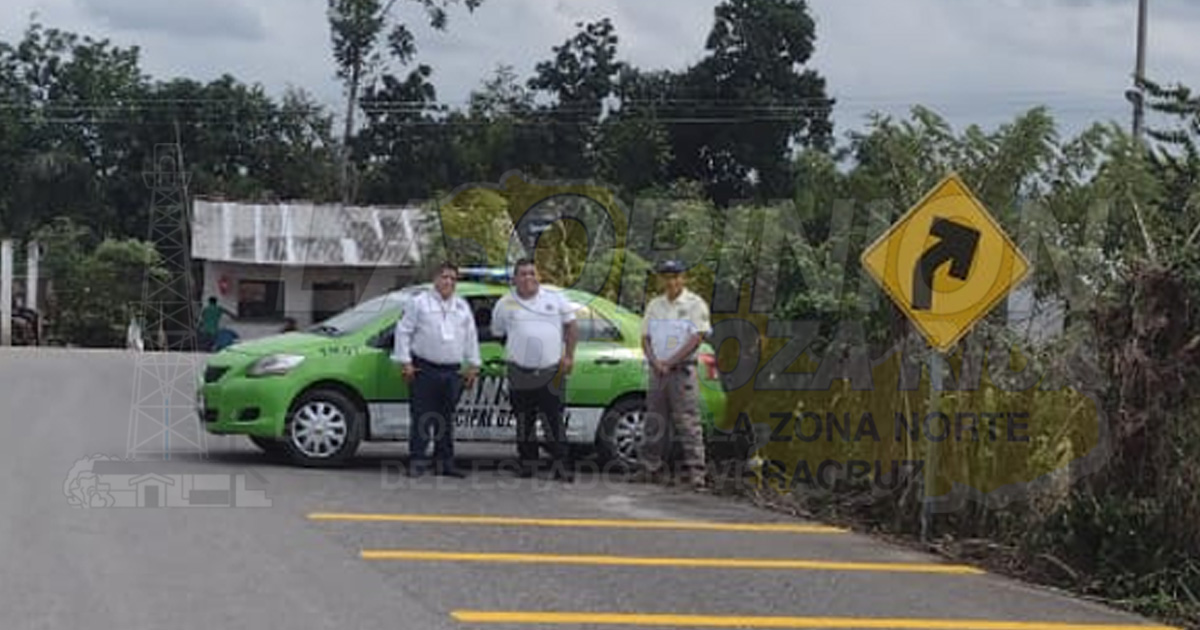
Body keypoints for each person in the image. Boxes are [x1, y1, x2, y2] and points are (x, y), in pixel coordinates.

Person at [491, 258, 578, 482]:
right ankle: (527, 464)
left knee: (554, 421)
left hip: (551, 370)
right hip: (520, 372)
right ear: (515, 279)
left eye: (532, 273)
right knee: (524, 421)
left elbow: (571, 326)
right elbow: (499, 333)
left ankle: (562, 466)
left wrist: (569, 356)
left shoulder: (554, 298)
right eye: (523, 274)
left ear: (538, 276)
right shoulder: (505, 303)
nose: (528, 278)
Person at [393, 262, 481, 478]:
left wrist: (474, 365)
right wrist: (405, 362)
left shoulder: (461, 306)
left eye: (452, 278)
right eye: (444, 277)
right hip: (424, 368)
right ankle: (417, 460)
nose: (448, 282)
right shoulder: (419, 303)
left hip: (452, 371)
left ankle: (445, 462)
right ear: (435, 279)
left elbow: (471, 336)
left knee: (445, 419)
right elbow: (403, 331)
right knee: (422, 416)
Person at [636, 260, 712, 491]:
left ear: (683, 278)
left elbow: (696, 337)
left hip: (681, 371)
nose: (670, 281)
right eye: (666, 277)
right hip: (658, 371)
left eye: (675, 276)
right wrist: (656, 362)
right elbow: (645, 338)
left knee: (688, 422)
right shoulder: (655, 305)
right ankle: (651, 468)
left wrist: (671, 362)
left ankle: (696, 474)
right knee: (654, 421)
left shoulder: (694, 304)